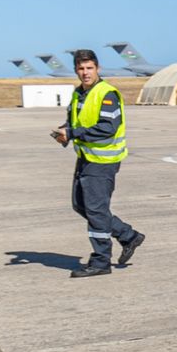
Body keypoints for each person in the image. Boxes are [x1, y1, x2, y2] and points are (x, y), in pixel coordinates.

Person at [52, 50, 144, 277]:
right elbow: (76, 121)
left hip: (103, 161)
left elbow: (107, 127)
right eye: (81, 68)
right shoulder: (79, 94)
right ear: (76, 70)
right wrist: (65, 131)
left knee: (95, 210)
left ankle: (101, 261)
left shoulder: (107, 93)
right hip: (85, 158)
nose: (85, 73)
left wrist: (73, 133)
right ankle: (128, 235)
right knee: (81, 206)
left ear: (97, 69)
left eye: (89, 68)